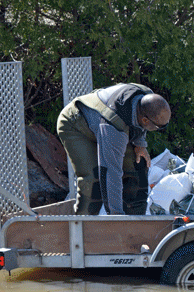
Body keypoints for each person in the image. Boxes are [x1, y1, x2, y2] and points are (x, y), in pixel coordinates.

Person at [56, 83, 171, 215]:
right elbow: (110, 173)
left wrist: (140, 144)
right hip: (75, 125)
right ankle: (82, 229)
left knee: (138, 167)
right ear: (145, 120)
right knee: (94, 182)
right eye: (158, 127)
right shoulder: (114, 126)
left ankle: (135, 227)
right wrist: (116, 217)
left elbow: (140, 124)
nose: (158, 130)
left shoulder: (147, 96)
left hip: (102, 123)